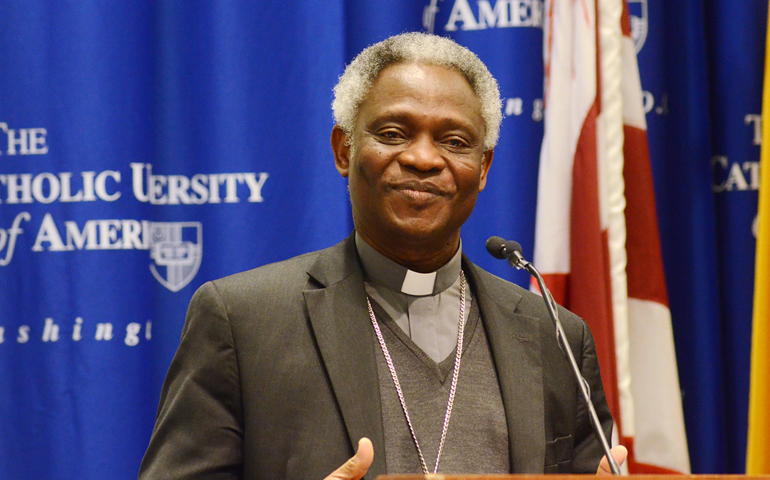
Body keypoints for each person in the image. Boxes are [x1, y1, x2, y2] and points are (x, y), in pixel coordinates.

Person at [138, 32, 627, 480]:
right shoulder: (241, 321)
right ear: (344, 150)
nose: (423, 158)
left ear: (482, 168)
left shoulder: (554, 335)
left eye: (454, 142)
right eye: (394, 133)